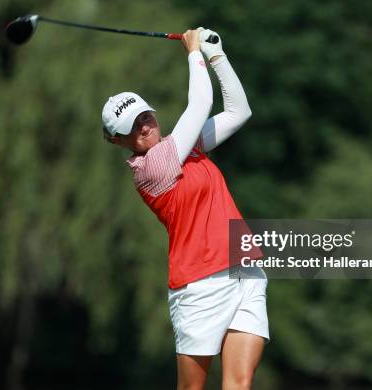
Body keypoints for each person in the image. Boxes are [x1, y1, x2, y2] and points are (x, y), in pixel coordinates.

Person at [102, 28, 268, 390]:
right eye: (133, 127)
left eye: (145, 116)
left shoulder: (188, 146)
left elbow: (239, 111)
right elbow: (200, 105)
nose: (144, 126)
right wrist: (193, 52)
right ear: (119, 141)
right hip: (199, 285)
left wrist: (217, 56)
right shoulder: (150, 168)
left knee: (239, 384)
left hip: (245, 268)